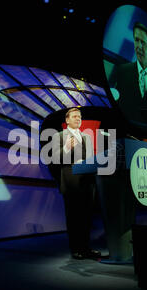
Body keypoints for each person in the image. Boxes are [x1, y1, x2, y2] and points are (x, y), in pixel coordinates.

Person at [51, 107, 101, 260]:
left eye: (79, 116)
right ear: (67, 120)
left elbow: (91, 158)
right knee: (74, 217)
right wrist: (66, 148)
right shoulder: (59, 136)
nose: (78, 119)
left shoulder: (86, 137)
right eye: (74, 116)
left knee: (86, 217)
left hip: (87, 181)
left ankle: (86, 248)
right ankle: (76, 249)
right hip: (71, 180)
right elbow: (54, 159)